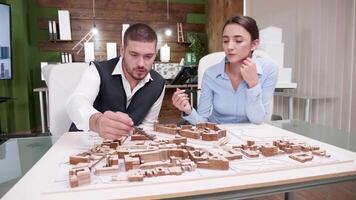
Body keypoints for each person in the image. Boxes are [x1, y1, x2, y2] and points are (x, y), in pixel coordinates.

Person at [172, 15, 278, 125]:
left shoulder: (269, 69)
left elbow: (258, 120)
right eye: (226, 41)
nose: (230, 47)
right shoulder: (210, 74)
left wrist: (253, 84)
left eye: (238, 40)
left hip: (249, 137)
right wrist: (188, 110)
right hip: (218, 135)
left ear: (254, 44)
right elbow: (202, 120)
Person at [66, 23, 165, 139]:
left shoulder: (158, 83)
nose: (141, 64)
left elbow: (147, 126)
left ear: (155, 54)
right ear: (122, 51)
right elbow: (75, 101)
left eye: (148, 56)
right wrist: (97, 122)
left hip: (124, 150)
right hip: (83, 144)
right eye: (134, 55)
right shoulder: (98, 70)